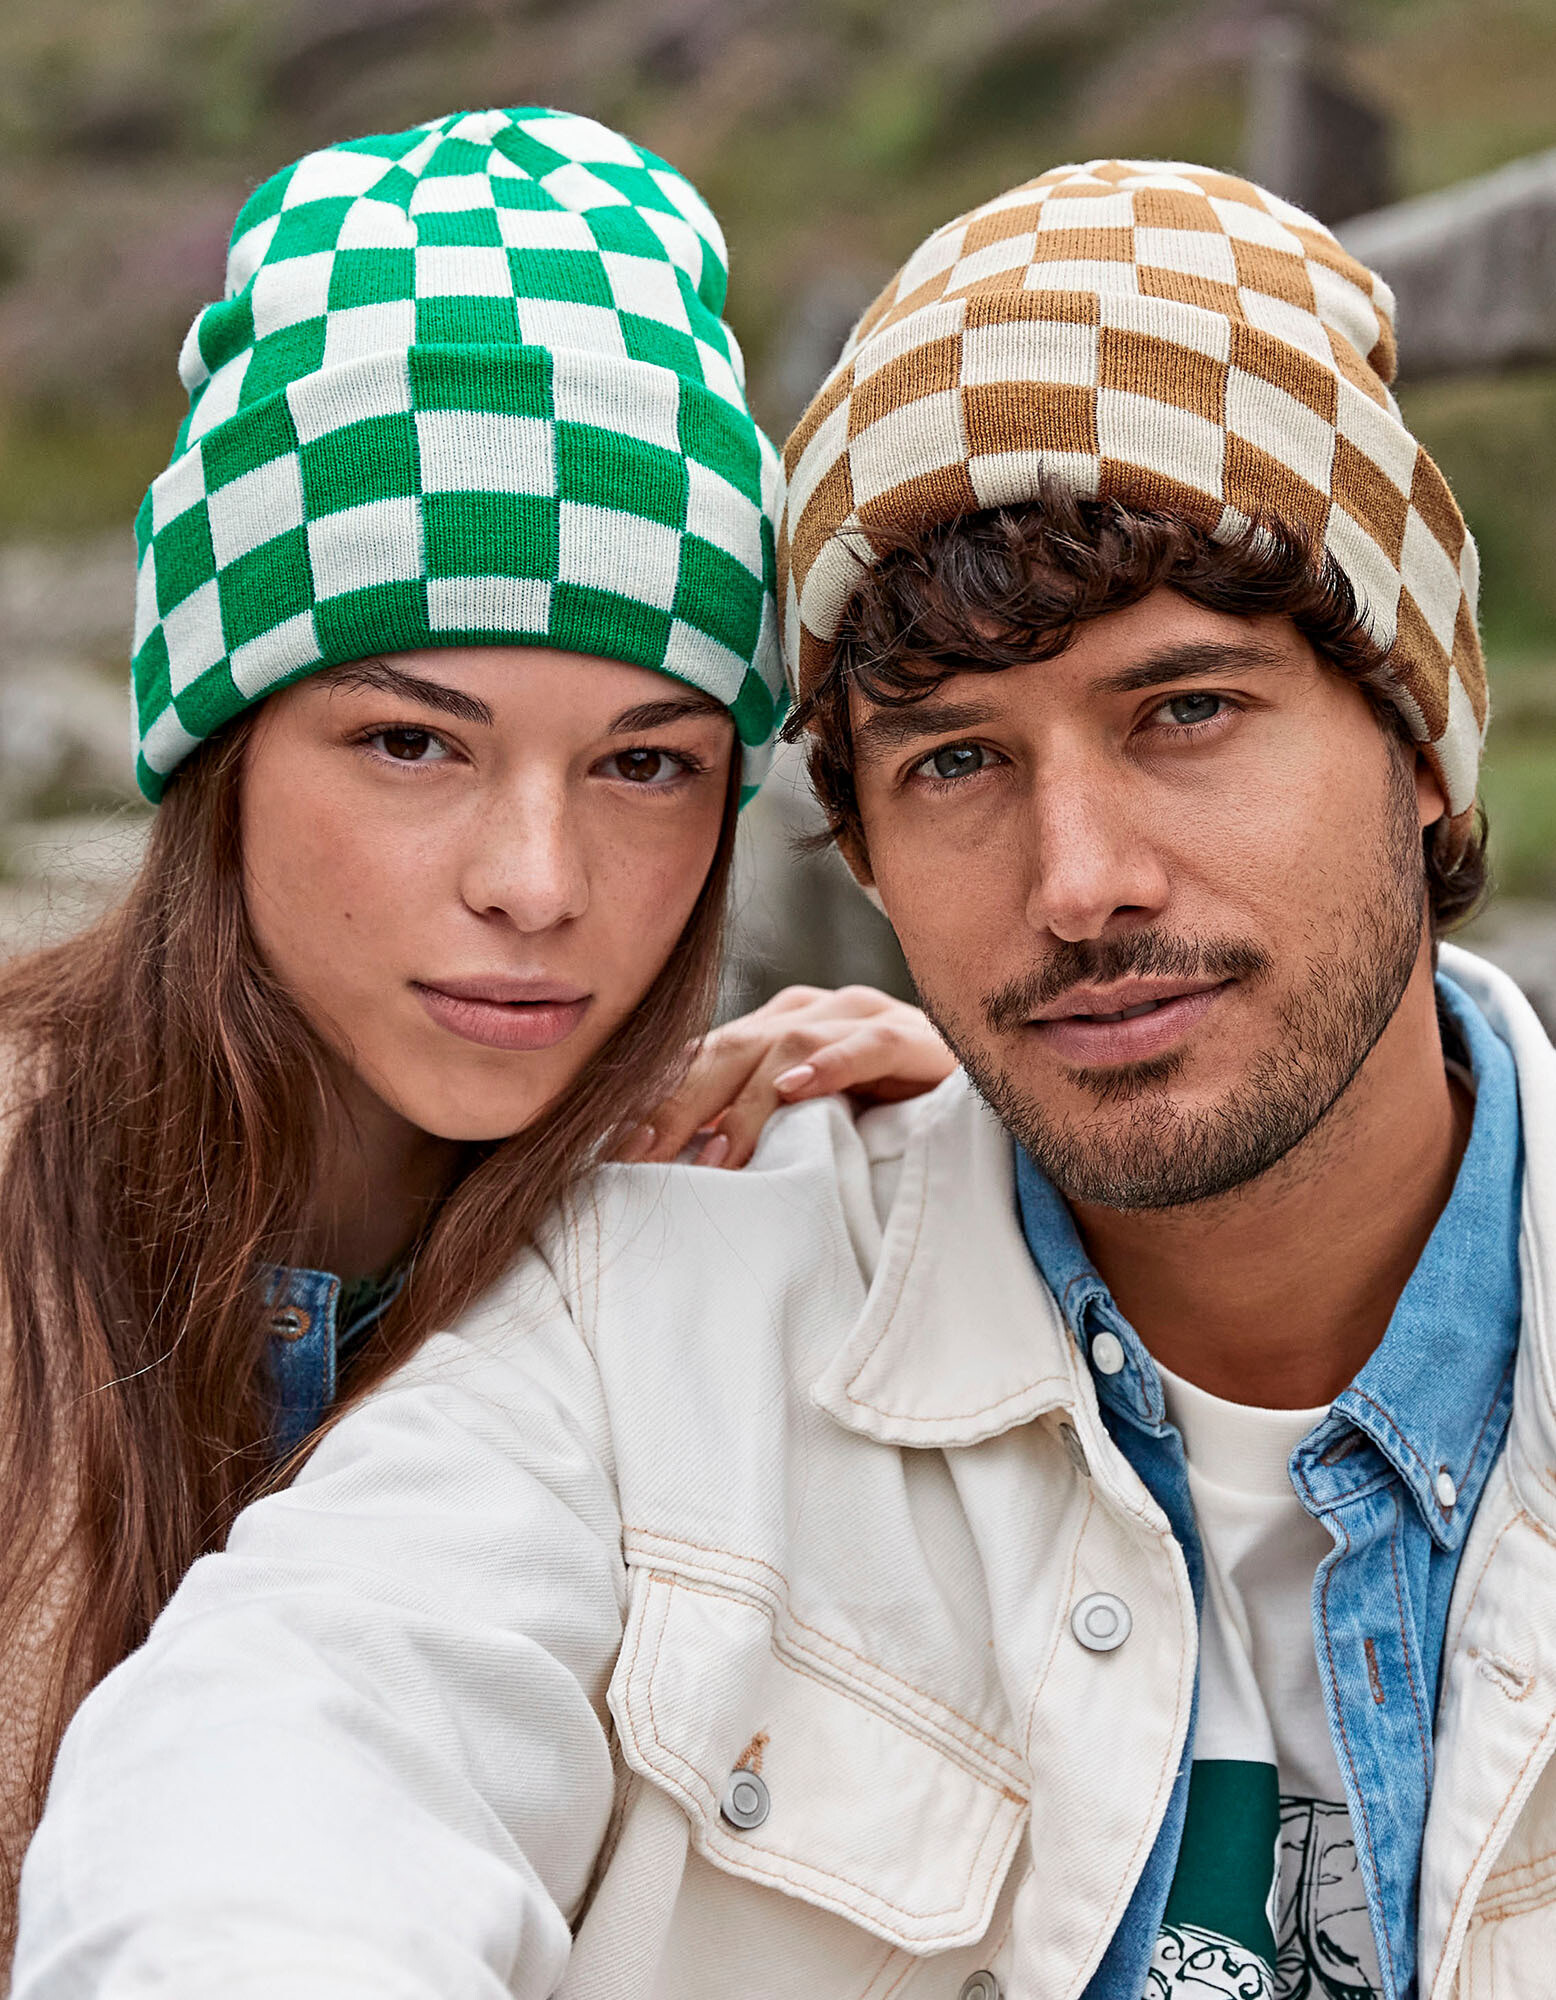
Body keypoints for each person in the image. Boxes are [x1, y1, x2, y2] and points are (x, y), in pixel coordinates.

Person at [14, 159, 1552, 2000]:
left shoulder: (705, 1162)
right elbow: (292, 1775)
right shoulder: (629, 1315)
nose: (1080, 886)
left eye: (1187, 710)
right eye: (958, 762)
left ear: (1429, 740)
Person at [0, 105, 956, 1964]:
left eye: (647, 763)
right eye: (413, 741)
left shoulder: (696, 1214)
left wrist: (970, 1191)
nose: (538, 882)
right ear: (219, 748)